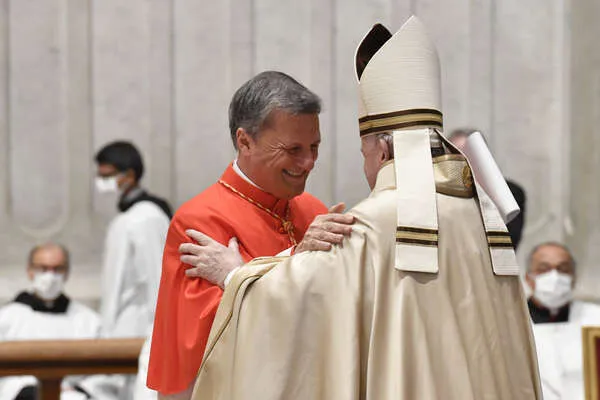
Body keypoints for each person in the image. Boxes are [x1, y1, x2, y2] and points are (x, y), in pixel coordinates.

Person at [185, 17, 541, 399]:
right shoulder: (480, 215)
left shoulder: (373, 223)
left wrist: (234, 275)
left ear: (383, 150)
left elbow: (297, 305)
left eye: (364, 153)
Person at [148, 71, 354, 399]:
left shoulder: (313, 211)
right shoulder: (199, 221)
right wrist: (295, 259)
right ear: (245, 141)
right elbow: (212, 341)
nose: (308, 162)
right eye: (293, 149)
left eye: (314, 147)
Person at [0, 244, 107, 400]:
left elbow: (105, 373)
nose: (50, 276)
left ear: (67, 272)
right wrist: (23, 391)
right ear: (30, 271)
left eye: (58, 269)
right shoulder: (6, 319)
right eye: (43, 269)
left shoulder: (89, 321)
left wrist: (80, 390)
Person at [94, 141, 172, 339]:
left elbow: (157, 279)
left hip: (141, 334)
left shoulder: (147, 217)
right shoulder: (129, 217)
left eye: (108, 176)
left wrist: (158, 337)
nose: (102, 182)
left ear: (129, 175)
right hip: (121, 331)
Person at [525, 242, 600, 400]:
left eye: (563, 269)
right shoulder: (513, 322)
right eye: (544, 269)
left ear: (574, 277)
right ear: (528, 278)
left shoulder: (595, 317)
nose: (554, 277)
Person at [447, 128, 527, 249]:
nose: (460, 161)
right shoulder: (438, 191)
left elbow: (509, 239)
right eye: (453, 154)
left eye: (466, 154)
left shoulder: (510, 192)